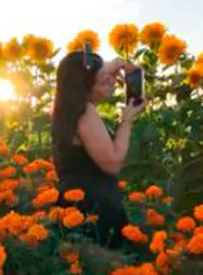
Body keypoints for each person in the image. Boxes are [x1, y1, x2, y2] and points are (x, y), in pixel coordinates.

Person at [51, 48, 147, 251]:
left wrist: (106, 68)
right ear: (83, 88)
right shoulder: (85, 112)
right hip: (95, 206)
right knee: (107, 270)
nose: (112, 83)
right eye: (104, 81)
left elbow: (87, 76)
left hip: (77, 203)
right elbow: (112, 162)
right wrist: (127, 120)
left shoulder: (66, 109)